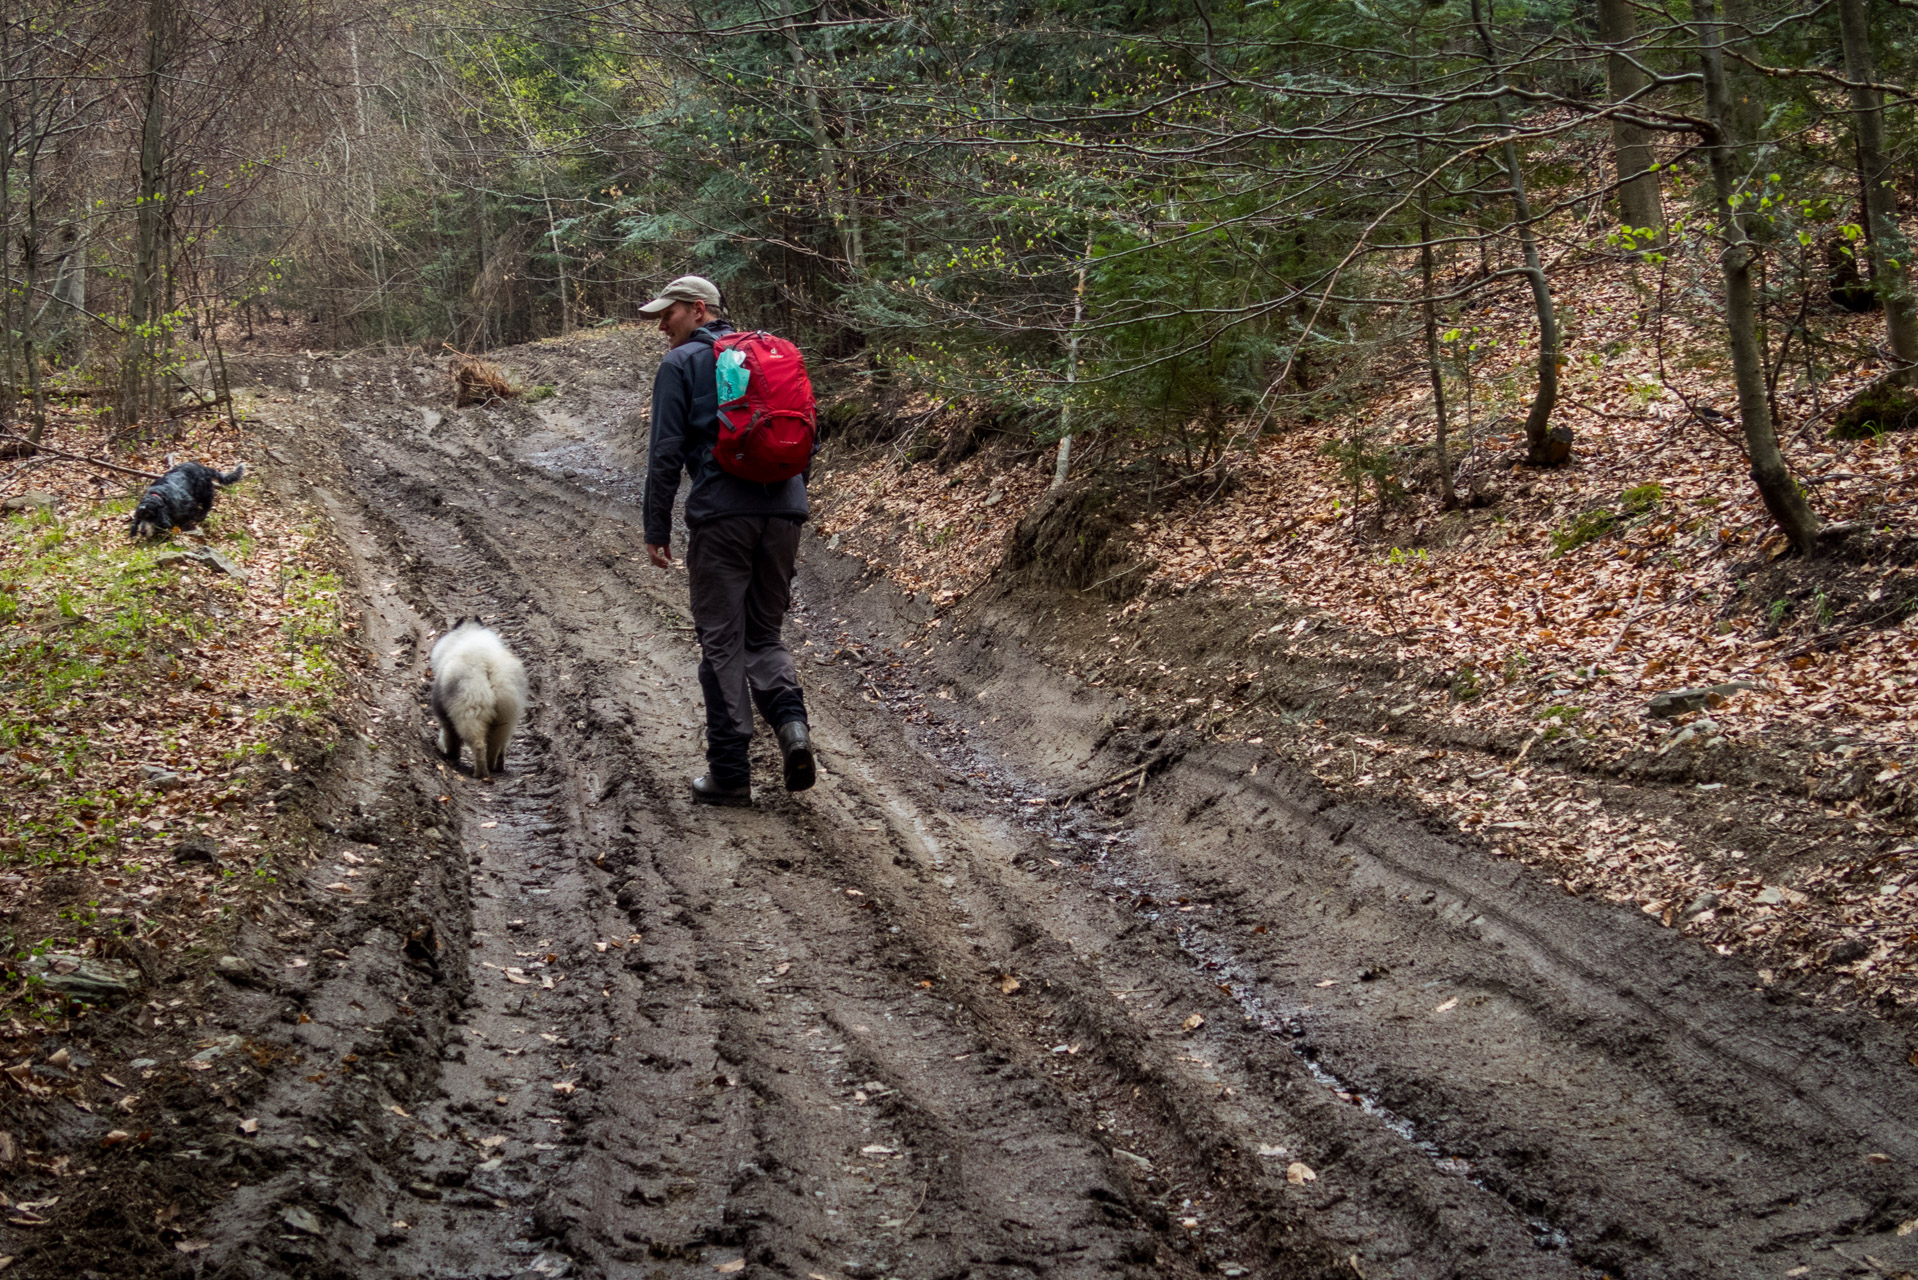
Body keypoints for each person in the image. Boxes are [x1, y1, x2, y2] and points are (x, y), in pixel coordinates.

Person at [639, 275, 816, 804]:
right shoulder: (772, 355)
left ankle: (730, 774)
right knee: (763, 638)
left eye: (667, 314)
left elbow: (665, 450)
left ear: (698, 310)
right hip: (784, 511)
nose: (661, 325)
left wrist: (656, 526)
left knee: (720, 642)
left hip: (723, 517)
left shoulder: (681, 364)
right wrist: (788, 503)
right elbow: (808, 435)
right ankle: (793, 729)